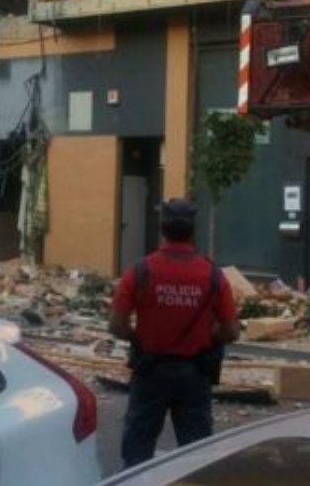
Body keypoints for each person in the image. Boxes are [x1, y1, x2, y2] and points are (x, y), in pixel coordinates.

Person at [109, 198, 240, 468]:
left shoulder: (140, 271)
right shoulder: (213, 275)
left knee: (137, 452)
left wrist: (139, 338)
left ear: (162, 229)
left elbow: (116, 326)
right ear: (193, 230)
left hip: (150, 372)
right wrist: (209, 336)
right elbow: (231, 331)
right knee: (196, 456)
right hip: (195, 375)